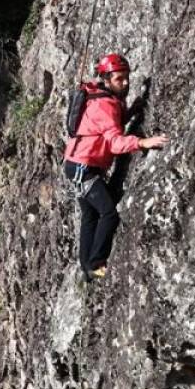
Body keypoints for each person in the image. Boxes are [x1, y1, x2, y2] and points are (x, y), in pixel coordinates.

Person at [63, 53, 168, 279]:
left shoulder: (99, 97)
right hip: (85, 167)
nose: (126, 82)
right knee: (109, 213)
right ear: (107, 79)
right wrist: (142, 142)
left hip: (76, 163)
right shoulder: (106, 104)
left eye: (126, 77)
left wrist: (130, 112)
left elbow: (107, 127)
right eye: (120, 79)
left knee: (90, 215)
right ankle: (96, 264)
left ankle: (86, 267)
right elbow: (114, 141)